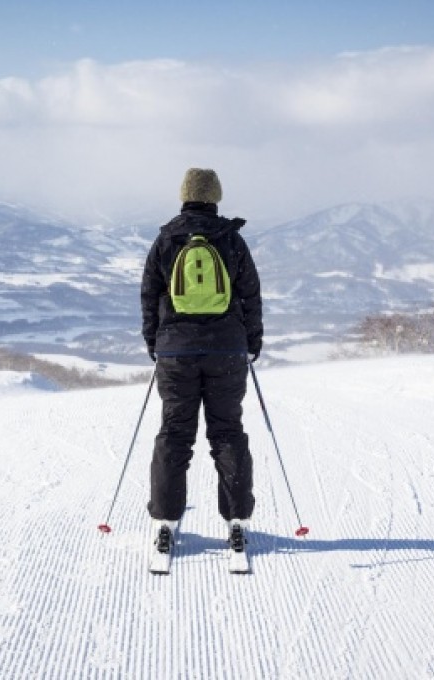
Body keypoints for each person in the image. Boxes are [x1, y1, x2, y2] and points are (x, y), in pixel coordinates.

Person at [140, 167, 263, 550]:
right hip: (227, 350)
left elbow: (149, 296)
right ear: (216, 197)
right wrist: (251, 341)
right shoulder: (231, 240)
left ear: (183, 195)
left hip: (176, 352)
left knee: (175, 434)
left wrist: (155, 343)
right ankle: (238, 517)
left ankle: (165, 518)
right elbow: (251, 295)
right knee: (227, 432)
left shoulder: (166, 239)